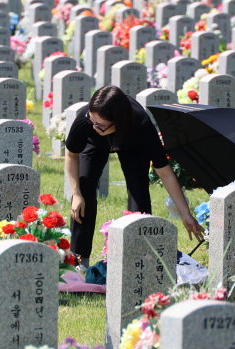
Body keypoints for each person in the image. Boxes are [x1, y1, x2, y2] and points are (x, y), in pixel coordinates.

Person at [64, 85, 204, 269]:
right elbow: (71, 154)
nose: (95, 126)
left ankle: (139, 255)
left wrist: (185, 214)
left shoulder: (141, 124)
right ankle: (79, 259)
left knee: (138, 192)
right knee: (84, 191)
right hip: (94, 145)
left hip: (132, 145)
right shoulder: (86, 121)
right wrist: (76, 194)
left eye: (101, 125)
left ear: (118, 121)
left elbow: (165, 172)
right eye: (93, 121)